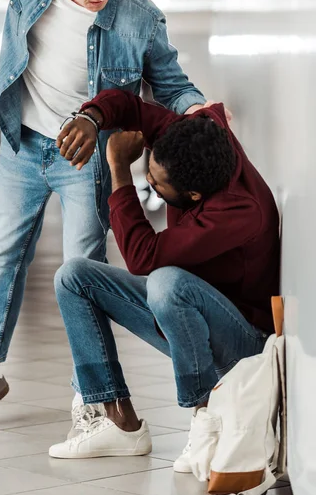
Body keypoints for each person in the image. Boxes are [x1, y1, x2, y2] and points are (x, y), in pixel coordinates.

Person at [0, 0, 208, 432]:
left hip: (85, 154)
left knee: (81, 273)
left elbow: (171, 86)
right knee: (3, 259)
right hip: (21, 141)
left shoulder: (139, 15)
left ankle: (89, 395)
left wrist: (198, 109)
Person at [48, 89, 280, 465]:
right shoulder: (188, 136)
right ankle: (119, 423)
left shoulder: (238, 211)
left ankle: (205, 418)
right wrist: (91, 118)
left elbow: (143, 257)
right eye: (148, 174)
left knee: (165, 282)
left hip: (244, 346)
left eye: (156, 186)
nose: (150, 185)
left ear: (193, 194)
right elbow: (129, 106)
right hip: (192, 318)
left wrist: (120, 169)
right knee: (73, 276)